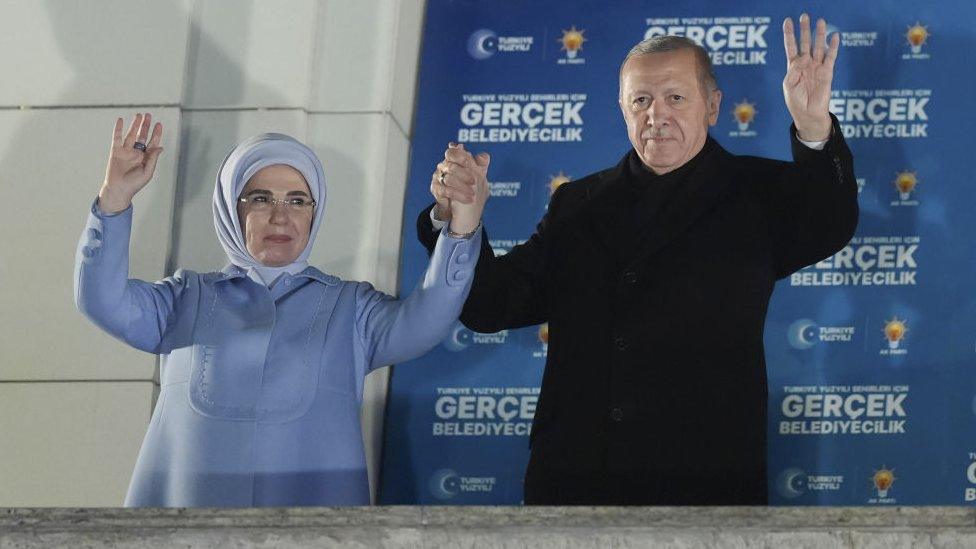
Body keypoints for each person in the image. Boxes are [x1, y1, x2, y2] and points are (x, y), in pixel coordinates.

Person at [416, 15, 858, 504]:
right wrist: (460, 222)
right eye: (641, 100)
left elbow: (829, 223)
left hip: (705, 484)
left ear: (712, 106)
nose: (656, 115)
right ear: (623, 109)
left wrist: (814, 124)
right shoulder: (578, 204)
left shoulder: (756, 194)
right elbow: (491, 305)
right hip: (577, 481)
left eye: (675, 98)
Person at [74, 114, 484, 507]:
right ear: (231, 208)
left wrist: (460, 231)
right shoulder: (184, 297)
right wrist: (113, 201)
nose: (281, 216)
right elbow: (102, 300)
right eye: (260, 198)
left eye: (298, 200)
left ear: (315, 211)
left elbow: (427, 321)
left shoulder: (352, 308)